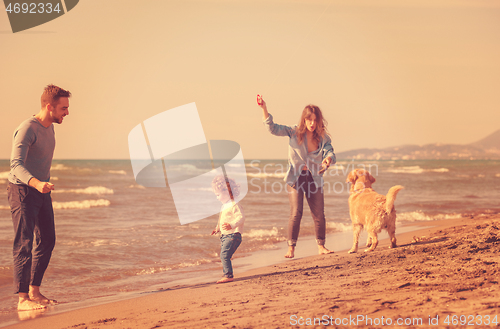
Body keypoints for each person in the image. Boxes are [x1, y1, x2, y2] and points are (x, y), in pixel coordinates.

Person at [7, 84, 71, 311]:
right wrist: (36, 183)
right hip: (22, 190)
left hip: (41, 190)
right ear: (49, 106)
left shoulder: (50, 127)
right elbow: (15, 166)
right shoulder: (27, 129)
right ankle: (22, 298)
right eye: (63, 108)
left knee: (47, 240)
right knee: (24, 243)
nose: (67, 113)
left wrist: (43, 184)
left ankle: (34, 290)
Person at [257, 95, 335, 258]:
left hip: (315, 178)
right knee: (296, 212)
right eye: (309, 119)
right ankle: (291, 248)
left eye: (315, 120)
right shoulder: (294, 132)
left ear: (319, 120)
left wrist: (327, 160)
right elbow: (272, 128)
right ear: (304, 120)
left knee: (319, 213)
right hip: (296, 178)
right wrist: (264, 108)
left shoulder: (323, 138)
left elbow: (330, 152)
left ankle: (321, 246)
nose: (312, 123)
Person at [210, 174, 245, 283]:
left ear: (227, 192)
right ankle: (228, 273)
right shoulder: (224, 206)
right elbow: (222, 219)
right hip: (225, 236)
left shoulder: (234, 204)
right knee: (224, 255)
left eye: (218, 194)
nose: (217, 197)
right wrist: (217, 228)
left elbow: (241, 217)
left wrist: (232, 225)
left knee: (224, 255)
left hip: (234, 235)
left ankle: (228, 275)